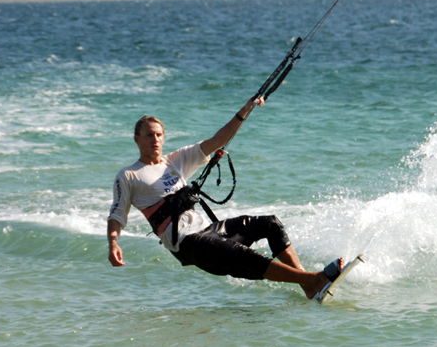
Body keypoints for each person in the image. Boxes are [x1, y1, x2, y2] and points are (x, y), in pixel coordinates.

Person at [107, 95, 343, 301]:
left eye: (158, 135)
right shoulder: (128, 176)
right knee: (242, 255)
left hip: (207, 229)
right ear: (136, 139)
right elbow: (117, 215)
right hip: (185, 242)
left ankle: (309, 287)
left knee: (271, 223)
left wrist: (246, 109)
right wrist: (113, 243)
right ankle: (316, 279)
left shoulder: (175, 161)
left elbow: (217, 139)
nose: (155, 140)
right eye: (148, 135)